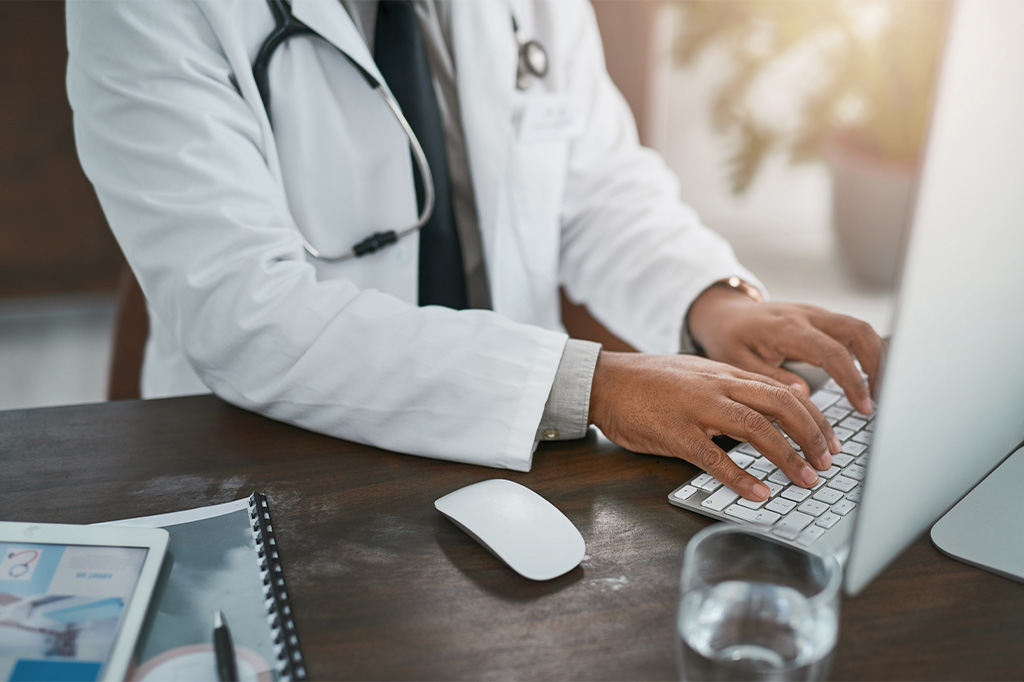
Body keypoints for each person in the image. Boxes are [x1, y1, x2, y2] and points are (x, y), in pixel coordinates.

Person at [66, 0, 884, 503]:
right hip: (273, 456)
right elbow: (245, 314)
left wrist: (714, 299)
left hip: (519, 448)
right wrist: (590, 384)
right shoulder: (143, 8)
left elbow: (594, 180)